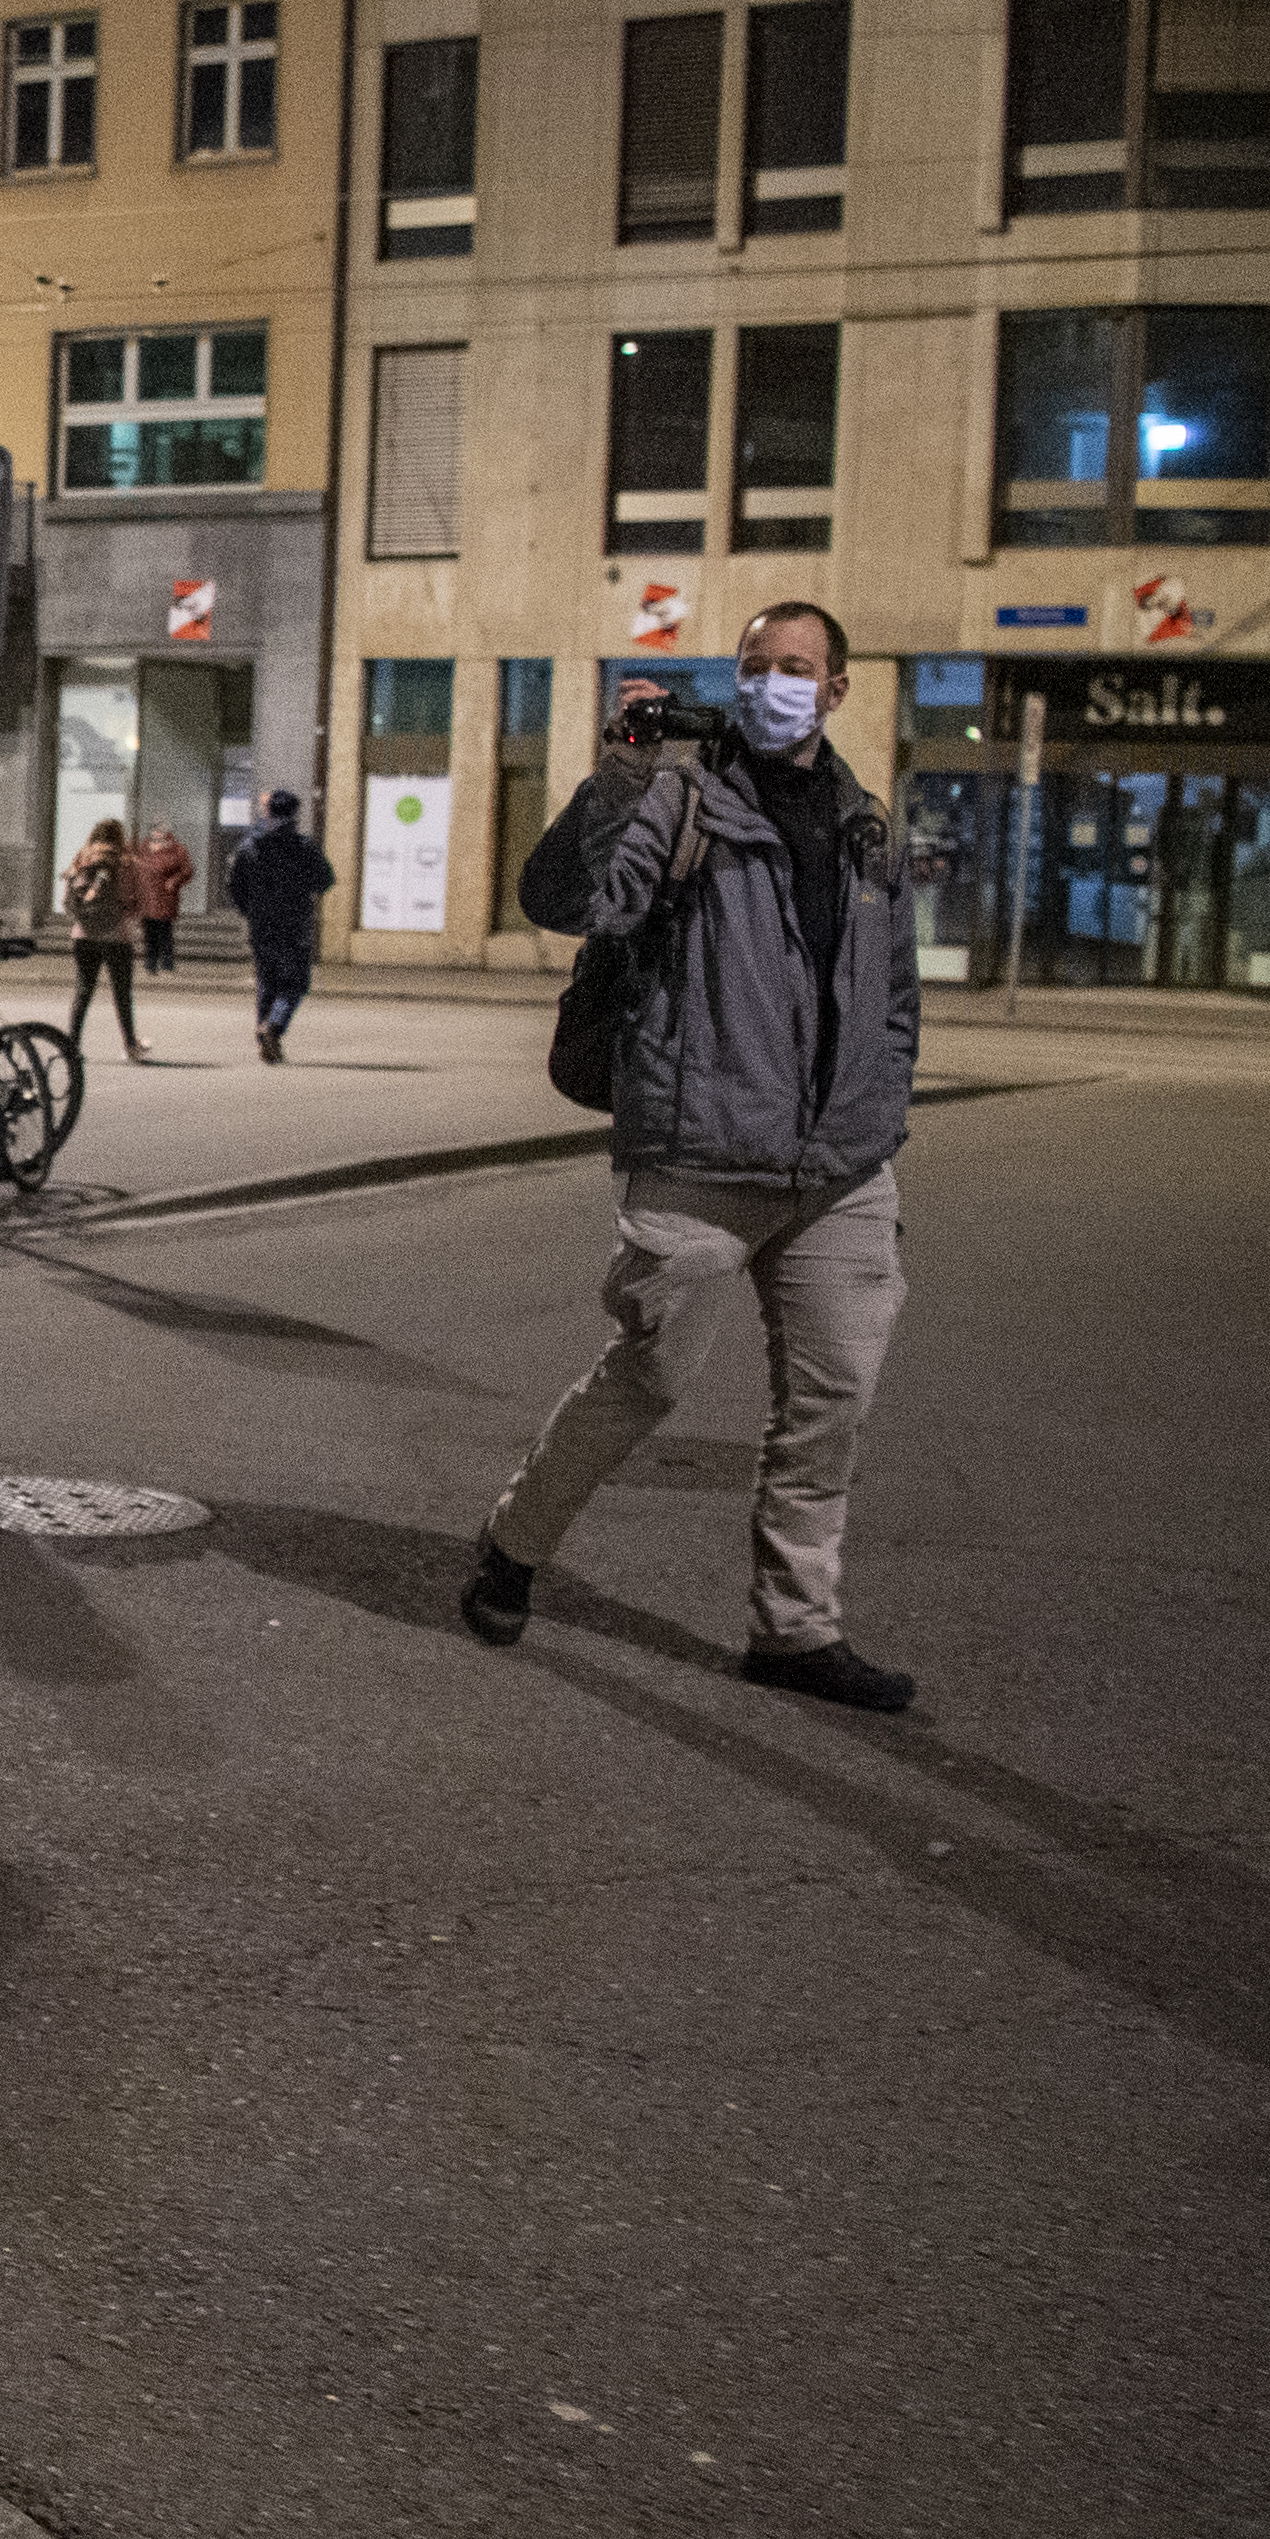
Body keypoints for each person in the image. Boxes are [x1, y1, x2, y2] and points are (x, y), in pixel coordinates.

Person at [462, 603, 923, 1714]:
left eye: (798, 668)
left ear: (838, 688)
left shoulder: (868, 825)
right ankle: (514, 1546)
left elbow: (895, 990)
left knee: (830, 1408)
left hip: (840, 1171)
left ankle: (796, 1631)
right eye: (757, 666)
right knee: (648, 1379)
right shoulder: (681, 799)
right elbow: (564, 899)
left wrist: (879, 1100)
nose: (775, 683)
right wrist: (624, 769)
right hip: (701, 1154)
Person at [224, 791, 334, 1062]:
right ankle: (274, 1025)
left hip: (261, 924)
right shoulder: (303, 845)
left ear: (268, 812)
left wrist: (248, 909)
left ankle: (264, 1037)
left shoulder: (250, 845)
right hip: (294, 924)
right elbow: (325, 879)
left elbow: (234, 884)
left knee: (266, 979)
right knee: (295, 982)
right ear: (293, 814)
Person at [61, 817, 148, 1059]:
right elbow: (138, 900)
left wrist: (84, 917)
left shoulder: (83, 858)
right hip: (117, 936)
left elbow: (68, 899)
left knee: (83, 990)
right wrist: (122, 915)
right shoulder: (127, 862)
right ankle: (130, 1045)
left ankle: (72, 1047)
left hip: (83, 934)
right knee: (122, 993)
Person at [134, 821, 195, 974]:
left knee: (163, 929)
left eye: (160, 830)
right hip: (146, 895)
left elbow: (187, 870)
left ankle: (167, 963)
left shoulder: (176, 849)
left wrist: (174, 881)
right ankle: (150, 963)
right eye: (154, 830)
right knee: (148, 930)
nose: (157, 833)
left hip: (165, 896)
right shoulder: (144, 847)